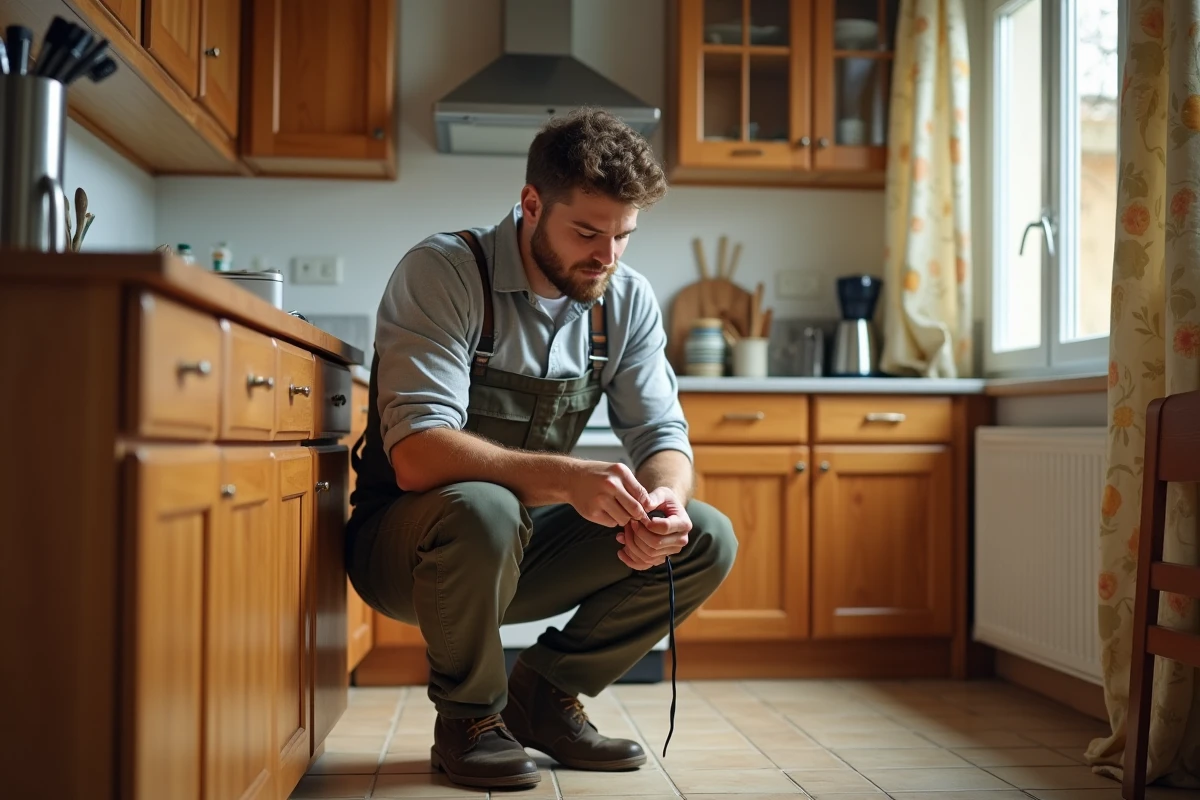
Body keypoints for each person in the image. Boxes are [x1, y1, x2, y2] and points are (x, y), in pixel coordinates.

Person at [346, 107, 738, 791]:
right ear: (531, 205)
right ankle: (469, 719)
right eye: (587, 232)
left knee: (704, 535)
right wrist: (568, 478)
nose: (607, 256)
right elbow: (416, 454)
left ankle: (545, 697)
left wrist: (664, 502)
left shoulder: (625, 300)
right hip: (406, 550)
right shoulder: (445, 272)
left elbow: (662, 435)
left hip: (519, 548)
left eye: (623, 235)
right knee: (485, 507)